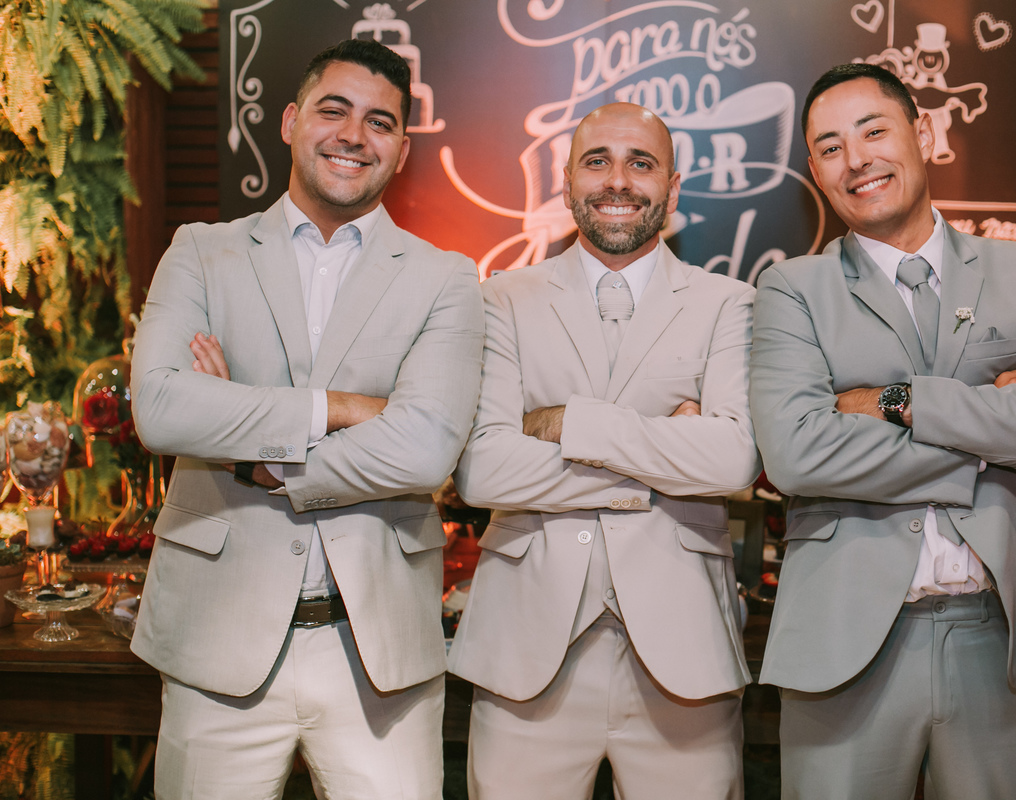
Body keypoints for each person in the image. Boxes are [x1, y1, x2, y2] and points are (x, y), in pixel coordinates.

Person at [749, 62, 1016, 800]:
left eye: (873, 132)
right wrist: (997, 443)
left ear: (922, 133)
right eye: (829, 147)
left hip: (997, 636)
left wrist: (900, 400)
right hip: (842, 639)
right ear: (816, 172)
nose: (856, 160)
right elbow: (796, 453)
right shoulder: (792, 289)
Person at [130, 39, 484, 798]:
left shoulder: (446, 278)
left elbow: (425, 448)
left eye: (380, 122)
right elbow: (159, 409)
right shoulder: (200, 252)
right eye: (334, 110)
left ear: (402, 150)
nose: (354, 135)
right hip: (214, 643)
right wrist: (342, 410)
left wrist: (249, 451)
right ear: (291, 122)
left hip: (379, 654)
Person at [449, 102, 760, 799]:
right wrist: (665, 457)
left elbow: (733, 460)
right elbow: (483, 469)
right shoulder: (500, 299)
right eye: (598, 162)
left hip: (685, 656)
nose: (618, 180)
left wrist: (567, 423)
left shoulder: (728, 303)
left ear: (671, 190)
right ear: (566, 183)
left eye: (640, 164)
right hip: (525, 652)